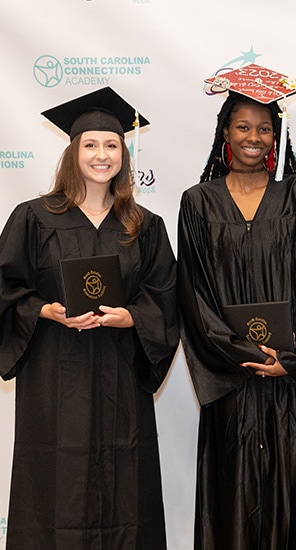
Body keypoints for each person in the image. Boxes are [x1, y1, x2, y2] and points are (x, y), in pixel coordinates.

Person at [0, 87, 178, 548]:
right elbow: (5, 287)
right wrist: (44, 309)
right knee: (53, 486)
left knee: (125, 490)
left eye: (112, 145)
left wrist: (131, 317)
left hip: (121, 379)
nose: (102, 155)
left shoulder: (145, 224)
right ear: (73, 151)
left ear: (124, 153)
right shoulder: (34, 218)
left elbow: (166, 298)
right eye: (91, 145)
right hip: (54, 379)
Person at [177, 64, 296, 549]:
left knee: (295, 494)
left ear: (277, 135)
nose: (254, 137)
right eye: (243, 127)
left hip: (290, 379)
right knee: (233, 498)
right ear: (225, 132)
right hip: (233, 379)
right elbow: (194, 294)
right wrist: (240, 353)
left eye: (265, 128)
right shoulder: (198, 203)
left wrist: (293, 358)